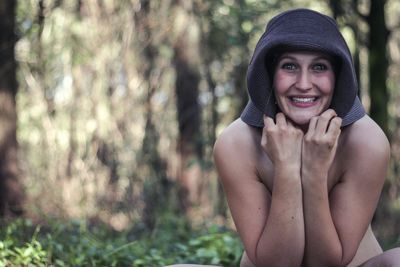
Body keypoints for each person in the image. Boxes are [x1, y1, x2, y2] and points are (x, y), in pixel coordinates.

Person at [212, 8, 400, 267]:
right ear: (269, 74)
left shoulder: (366, 140)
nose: (303, 83)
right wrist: (287, 170)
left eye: (319, 67)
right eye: (289, 66)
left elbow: (326, 263)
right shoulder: (235, 143)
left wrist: (314, 172)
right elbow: (278, 264)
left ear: (337, 77)